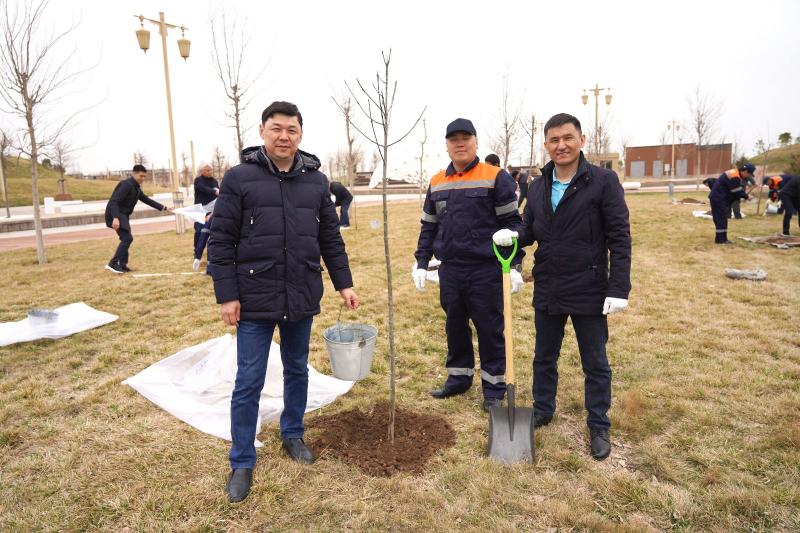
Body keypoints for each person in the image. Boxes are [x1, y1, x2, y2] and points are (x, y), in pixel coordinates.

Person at [209, 101, 359, 503]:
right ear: (262, 131)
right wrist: (227, 295)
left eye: (291, 130)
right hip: (255, 296)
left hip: (302, 291)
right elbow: (220, 241)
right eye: (276, 128)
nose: (283, 136)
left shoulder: (316, 182)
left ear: (300, 135)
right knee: (249, 379)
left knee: (297, 370)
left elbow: (330, 238)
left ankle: (292, 434)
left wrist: (344, 284)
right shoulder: (239, 178)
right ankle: (241, 459)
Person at [493, 113, 631, 460]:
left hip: (589, 285)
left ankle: (598, 424)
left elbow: (620, 237)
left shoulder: (602, 181)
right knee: (544, 357)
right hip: (550, 285)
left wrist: (619, 288)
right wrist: (514, 238)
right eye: (554, 140)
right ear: (546, 144)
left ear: (581, 140)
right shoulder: (538, 185)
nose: (561, 145)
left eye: (568, 138)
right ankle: (543, 409)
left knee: (595, 361)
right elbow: (531, 228)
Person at [413, 118, 524, 413]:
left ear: (476, 142)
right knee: (454, 325)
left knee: (489, 328)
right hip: (451, 268)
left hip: (486, 269)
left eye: (465, 137)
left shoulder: (495, 177)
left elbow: (512, 225)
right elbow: (428, 227)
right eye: (453, 139)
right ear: (447, 145)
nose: (460, 143)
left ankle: (494, 387)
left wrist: (514, 266)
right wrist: (421, 262)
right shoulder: (437, 182)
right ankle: (458, 377)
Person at [104, 164, 170, 274]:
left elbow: (147, 200)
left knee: (126, 238)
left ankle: (122, 264)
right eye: (141, 176)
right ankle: (113, 263)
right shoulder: (126, 185)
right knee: (127, 238)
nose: (143, 179)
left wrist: (164, 207)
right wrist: (115, 218)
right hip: (116, 214)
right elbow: (114, 201)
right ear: (134, 174)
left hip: (123, 215)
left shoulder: (136, 188)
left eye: (144, 176)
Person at [709, 163, 753, 244]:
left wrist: (741, 196)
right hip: (718, 198)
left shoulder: (735, 174)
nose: (747, 176)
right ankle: (720, 240)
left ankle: (724, 239)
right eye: (749, 174)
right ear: (745, 171)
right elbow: (736, 190)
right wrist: (747, 196)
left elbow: (733, 191)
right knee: (721, 219)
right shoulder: (734, 176)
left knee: (723, 219)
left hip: (720, 197)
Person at [193, 164, 219, 270]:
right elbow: (203, 189)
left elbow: (218, 191)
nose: (209, 172)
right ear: (202, 171)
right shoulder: (198, 180)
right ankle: (196, 252)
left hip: (211, 211)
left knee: (208, 232)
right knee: (199, 231)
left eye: (210, 170)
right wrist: (214, 191)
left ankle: (209, 256)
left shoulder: (214, 181)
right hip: (200, 210)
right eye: (207, 170)